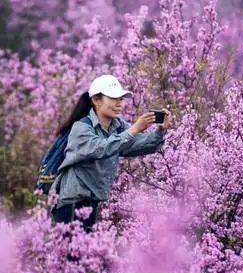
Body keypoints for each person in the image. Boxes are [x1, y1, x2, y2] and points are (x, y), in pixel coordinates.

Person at [50, 74, 171, 231]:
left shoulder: (117, 125)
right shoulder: (81, 128)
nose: (119, 103)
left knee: (86, 254)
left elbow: (138, 145)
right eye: (113, 98)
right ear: (96, 100)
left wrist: (160, 131)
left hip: (91, 202)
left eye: (121, 99)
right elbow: (102, 148)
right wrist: (134, 129)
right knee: (74, 254)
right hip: (71, 202)